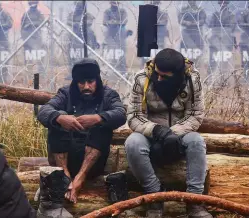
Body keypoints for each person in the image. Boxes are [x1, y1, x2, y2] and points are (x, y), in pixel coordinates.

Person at [125, 48, 212, 218]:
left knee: (197, 142)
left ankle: (194, 200)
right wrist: (158, 131)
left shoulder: (192, 80)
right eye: (157, 73)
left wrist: (173, 133)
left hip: (182, 132)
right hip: (150, 133)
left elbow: (195, 115)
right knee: (132, 143)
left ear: (177, 74)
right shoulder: (142, 79)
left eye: (164, 76)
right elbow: (134, 116)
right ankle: (155, 195)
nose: (158, 78)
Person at [37, 58, 127, 214]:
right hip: (63, 158)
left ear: (97, 80)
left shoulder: (108, 94)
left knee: (103, 124)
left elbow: (121, 113)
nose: (86, 86)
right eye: (81, 82)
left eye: (90, 81)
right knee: (59, 117)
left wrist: (98, 118)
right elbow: (44, 111)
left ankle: (79, 178)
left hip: (93, 164)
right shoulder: (65, 93)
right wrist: (60, 119)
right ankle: (64, 176)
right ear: (75, 82)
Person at [66, 1, 99, 76]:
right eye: (78, 6)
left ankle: (88, 71)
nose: (79, 8)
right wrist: (76, 24)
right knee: (72, 55)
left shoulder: (87, 14)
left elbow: (90, 21)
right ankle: (72, 72)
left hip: (85, 36)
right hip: (74, 37)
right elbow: (68, 22)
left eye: (81, 6)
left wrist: (81, 24)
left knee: (87, 56)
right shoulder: (72, 14)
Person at [103, 1, 132, 75]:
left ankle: (123, 72)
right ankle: (112, 72)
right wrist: (117, 22)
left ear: (118, 4)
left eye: (116, 3)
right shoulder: (107, 11)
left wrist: (112, 22)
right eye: (113, 3)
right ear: (110, 3)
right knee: (112, 54)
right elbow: (105, 22)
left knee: (121, 53)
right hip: (110, 35)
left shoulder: (122, 11)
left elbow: (124, 21)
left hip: (120, 35)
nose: (114, 4)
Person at [208, 0, 236, 77]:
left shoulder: (231, 15)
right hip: (215, 41)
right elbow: (210, 25)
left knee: (225, 61)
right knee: (213, 60)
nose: (223, 5)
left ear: (227, 4)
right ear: (219, 4)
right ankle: (211, 77)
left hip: (226, 41)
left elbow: (232, 27)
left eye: (225, 3)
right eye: (221, 3)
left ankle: (224, 77)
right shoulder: (215, 14)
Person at [21, 0, 46, 74]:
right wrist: (24, 36)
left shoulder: (39, 14)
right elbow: (22, 27)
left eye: (34, 3)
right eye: (31, 3)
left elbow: (43, 23)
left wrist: (34, 24)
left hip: (37, 38)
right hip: (28, 38)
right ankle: (29, 72)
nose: (33, 4)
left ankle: (41, 72)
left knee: (39, 55)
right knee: (28, 57)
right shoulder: (26, 14)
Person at [238, 3, 249, 81]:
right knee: (245, 60)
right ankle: (246, 77)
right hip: (245, 40)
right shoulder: (245, 13)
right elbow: (240, 23)